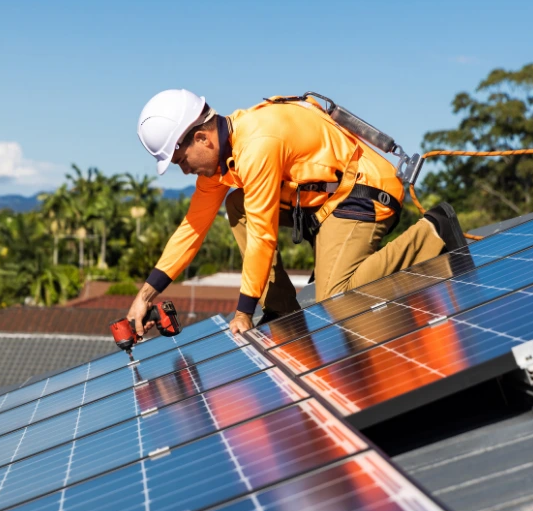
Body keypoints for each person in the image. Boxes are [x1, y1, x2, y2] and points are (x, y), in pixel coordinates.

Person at [127, 89, 466, 336]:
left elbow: (263, 234)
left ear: (202, 138)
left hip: (364, 193)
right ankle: (281, 309)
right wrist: (145, 296)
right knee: (236, 204)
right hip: (325, 205)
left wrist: (244, 312)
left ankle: (432, 231)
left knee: (336, 296)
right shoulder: (221, 163)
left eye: (181, 160)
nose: (184, 171)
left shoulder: (257, 144)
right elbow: (192, 227)